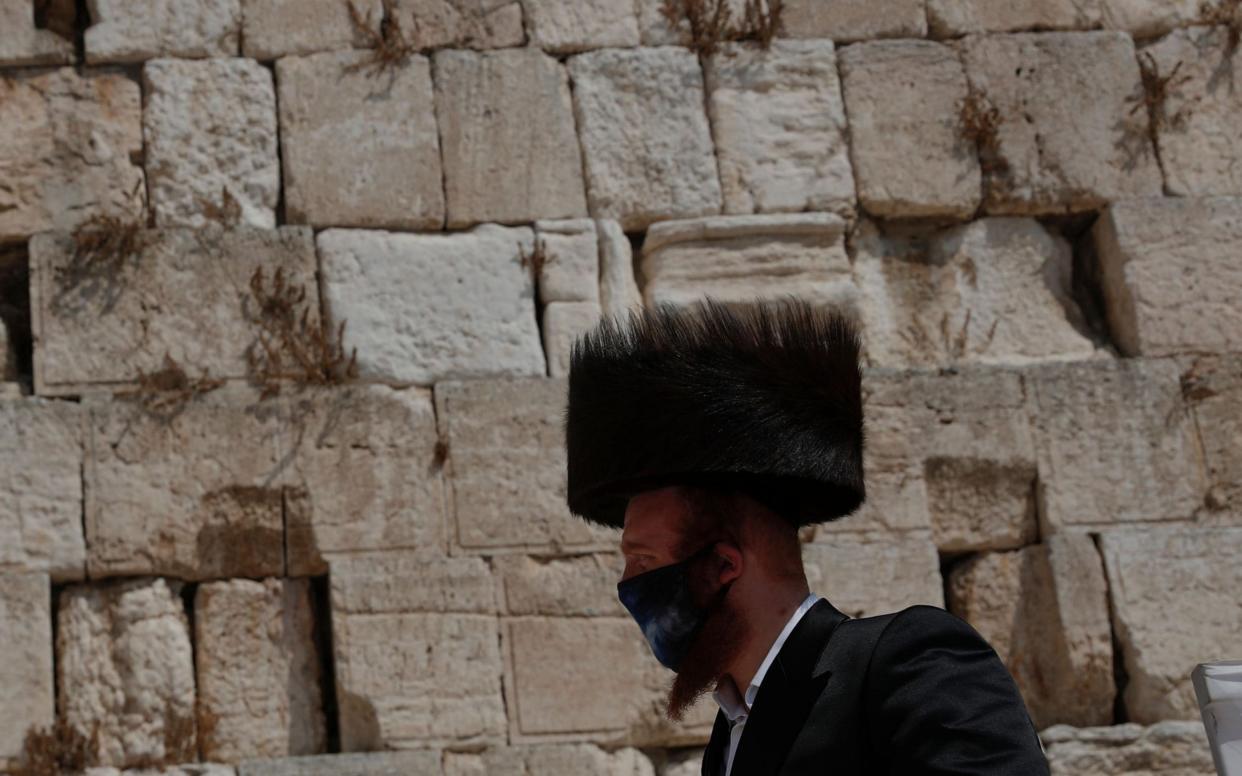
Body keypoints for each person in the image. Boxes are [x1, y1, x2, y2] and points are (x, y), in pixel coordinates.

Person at [562, 296, 1050, 776]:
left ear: (724, 566)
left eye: (644, 561)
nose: (626, 584)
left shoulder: (906, 660)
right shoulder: (729, 740)